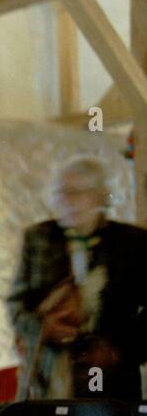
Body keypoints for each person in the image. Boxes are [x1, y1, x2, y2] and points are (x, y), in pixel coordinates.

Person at [8, 156, 146, 400]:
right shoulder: (39, 238)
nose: (65, 201)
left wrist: (118, 351)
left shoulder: (133, 243)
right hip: (50, 379)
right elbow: (16, 305)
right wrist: (42, 328)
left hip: (113, 383)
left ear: (100, 196)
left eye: (76, 193)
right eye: (60, 193)